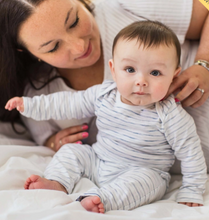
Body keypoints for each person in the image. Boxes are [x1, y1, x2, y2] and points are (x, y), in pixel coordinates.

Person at [5, 21, 207, 213]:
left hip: (143, 170)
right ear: (113, 69)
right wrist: (29, 105)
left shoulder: (170, 115)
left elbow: (191, 153)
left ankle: (101, 199)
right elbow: (67, 103)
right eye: (130, 70)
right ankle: (57, 182)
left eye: (155, 72)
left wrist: (193, 189)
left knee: (146, 184)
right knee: (71, 152)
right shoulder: (103, 94)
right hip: (99, 159)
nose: (141, 81)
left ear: (173, 75)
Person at [0, 0, 209, 160]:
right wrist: (55, 144)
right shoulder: (38, 93)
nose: (80, 47)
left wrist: (204, 63)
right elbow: (47, 141)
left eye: (74, 22)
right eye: (53, 47)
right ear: (26, 51)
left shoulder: (124, 5)